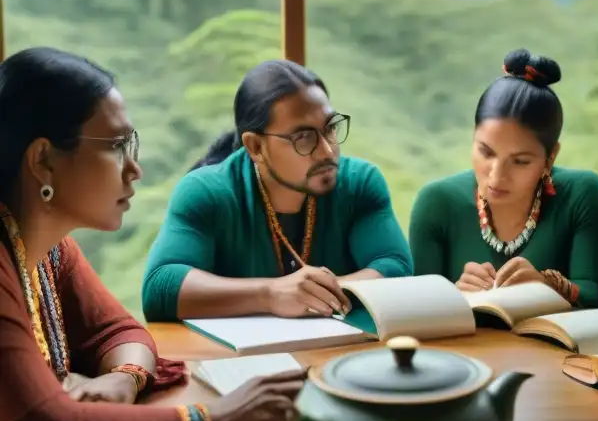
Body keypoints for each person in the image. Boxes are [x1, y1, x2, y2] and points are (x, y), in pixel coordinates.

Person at [0, 47, 304, 421]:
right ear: (43, 160)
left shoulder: (48, 251)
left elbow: (119, 332)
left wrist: (123, 379)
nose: (134, 169)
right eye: (117, 146)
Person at [142, 60, 413, 323]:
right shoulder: (206, 191)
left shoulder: (360, 182)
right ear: (255, 147)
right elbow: (161, 287)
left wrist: (317, 293)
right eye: (303, 137)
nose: (328, 151)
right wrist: (270, 294)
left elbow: (395, 267)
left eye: (330, 128)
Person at [408, 49, 598, 308]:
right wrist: (452, 297)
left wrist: (545, 285)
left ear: (550, 158)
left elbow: (597, 296)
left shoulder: (582, 194)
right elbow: (416, 307)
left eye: (520, 162)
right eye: (486, 152)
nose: (496, 175)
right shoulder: (436, 203)